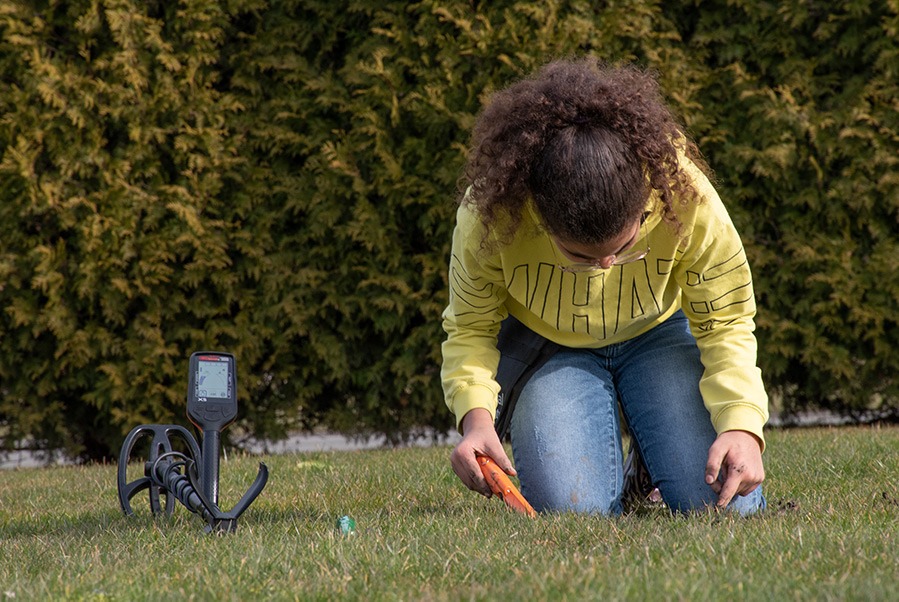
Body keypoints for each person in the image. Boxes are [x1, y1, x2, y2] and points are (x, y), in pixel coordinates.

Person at [441, 58, 768, 515]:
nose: (607, 267)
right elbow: (471, 328)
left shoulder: (681, 190)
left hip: (658, 333)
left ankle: (650, 462)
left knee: (728, 506)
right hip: (552, 350)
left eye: (626, 244)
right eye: (581, 258)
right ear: (539, 216)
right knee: (573, 511)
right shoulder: (492, 214)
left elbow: (726, 319)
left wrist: (741, 426)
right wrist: (476, 421)